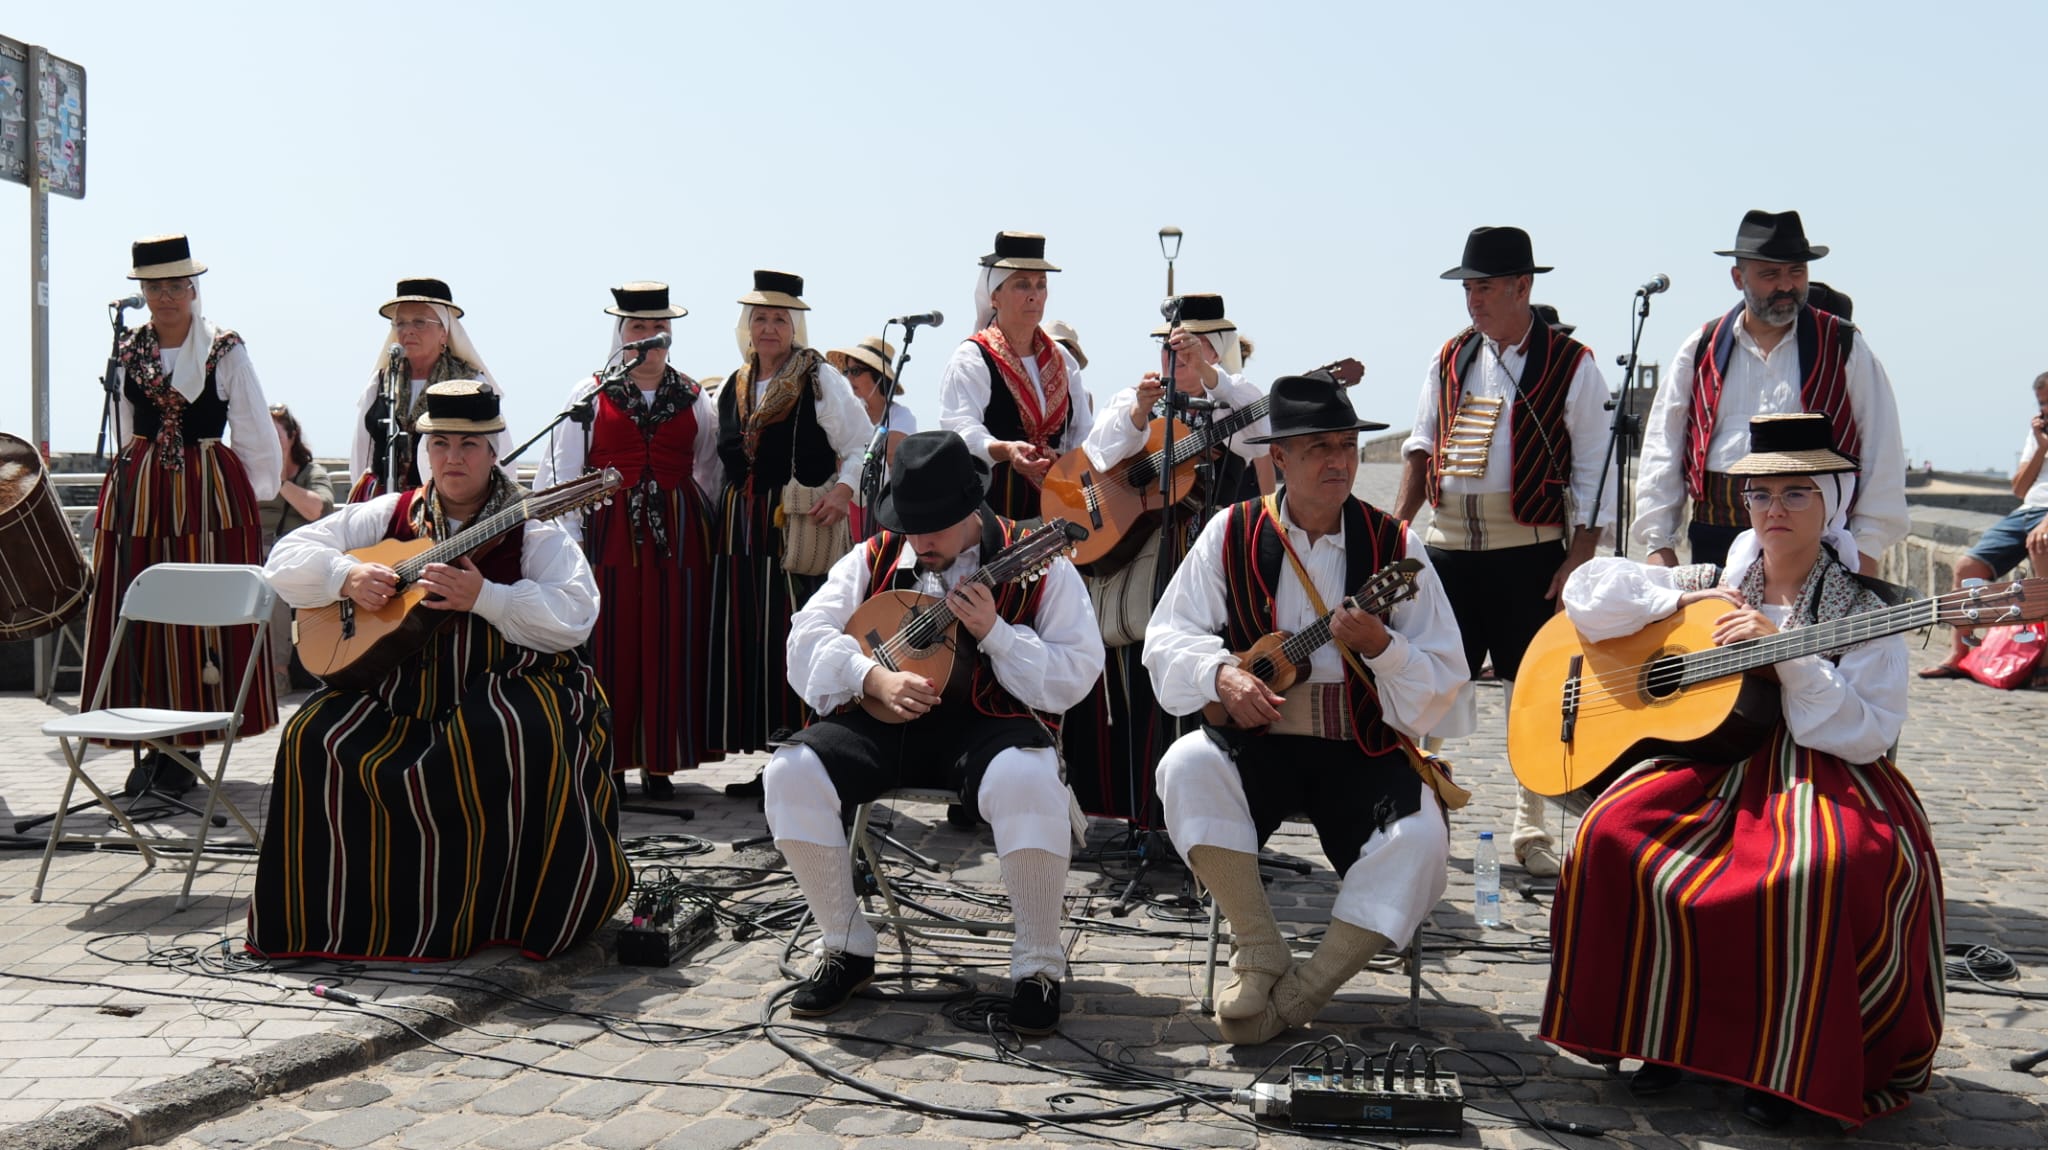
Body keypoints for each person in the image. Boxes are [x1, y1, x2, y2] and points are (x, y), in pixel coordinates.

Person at [1543, 413, 1942, 1129]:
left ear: (1831, 503)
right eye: (1760, 495)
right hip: (1712, 754)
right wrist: (1677, 601)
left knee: (1818, 868)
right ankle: (1661, 1035)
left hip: (1822, 771)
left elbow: (1869, 733)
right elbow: (1586, 594)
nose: (1774, 510)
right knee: (1611, 830)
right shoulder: (1724, 576)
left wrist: (1785, 652)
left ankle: (1789, 1066)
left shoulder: (1865, 607)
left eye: (1796, 493)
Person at [251, 381, 629, 961]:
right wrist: (343, 578)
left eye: (470, 445)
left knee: (507, 729)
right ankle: (336, 920)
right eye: (442, 443)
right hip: (398, 685)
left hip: (504, 680)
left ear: (494, 449)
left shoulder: (535, 526)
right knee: (312, 734)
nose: (454, 457)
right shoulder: (389, 513)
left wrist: (489, 598)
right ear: (425, 449)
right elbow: (285, 560)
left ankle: (505, 916)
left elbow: (575, 616)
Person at [1145, 372, 1471, 1046]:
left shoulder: (1396, 549)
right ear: (1281, 458)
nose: (1338, 461)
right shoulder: (1230, 532)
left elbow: (1447, 683)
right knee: (1184, 765)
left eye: (1347, 445)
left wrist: (1384, 647)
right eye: (1319, 447)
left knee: (1423, 840)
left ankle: (1301, 994)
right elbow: (1165, 638)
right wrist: (1221, 676)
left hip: (1360, 745)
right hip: (1261, 745)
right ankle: (1260, 947)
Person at [762, 431, 1104, 1033]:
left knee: (1030, 776)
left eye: (935, 529)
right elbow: (804, 637)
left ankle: (1037, 965)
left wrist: (995, 634)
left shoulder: (1037, 560)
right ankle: (846, 944)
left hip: (985, 726)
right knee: (790, 772)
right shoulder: (876, 554)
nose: (921, 542)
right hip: (882, 723)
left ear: (973, 510)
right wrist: (870, 677)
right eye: (912, 526)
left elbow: (1077, 673)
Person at [1393, 228, 1612, 878]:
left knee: (1535, 690)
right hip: (1451, 546)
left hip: (1529, 551)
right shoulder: (1451, 358)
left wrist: (1578, 557)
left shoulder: (1574, 364)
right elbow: (1421, 445)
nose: (1473, 300)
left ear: (1523, 287)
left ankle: (1531, 825)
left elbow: (1596, 471)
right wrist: (1398, 530)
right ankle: (1422, 809)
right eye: (1467, 288)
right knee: (1430, 679)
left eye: (1483, 287)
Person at [82, 234, 283, 796]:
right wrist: (134, 479)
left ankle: (186, 746)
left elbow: (251, 426)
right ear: (142, 291)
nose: (165, 296)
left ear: (193, 289)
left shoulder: (225, 349)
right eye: (154, 286)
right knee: (138, 604)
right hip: (141, 491)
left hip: (206, 491)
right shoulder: (129, 351)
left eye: (175, 285)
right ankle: (149, 742)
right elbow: (127, 424)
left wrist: (251, 490)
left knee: (200, 606)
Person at [1066, 293, 1274, 822]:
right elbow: (1096, 457)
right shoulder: (1142, 400)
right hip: (1144, 558)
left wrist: (1214, 380)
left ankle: (1201, 813)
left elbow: (1260, 441)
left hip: (1210, 561)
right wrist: (1138, 410)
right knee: (1137, 676)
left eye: (1192, 351)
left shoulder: (1236, 400)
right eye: (1174, 351)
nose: (1178, 361)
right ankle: (1140, 814)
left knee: (1200, 672)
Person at [1634, 210, 1906, 572]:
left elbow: (1880, 444)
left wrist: (1867, 546)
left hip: (1813, 540)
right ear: (1737, 277)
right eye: (1770, 274)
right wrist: (1658, 541)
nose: (1786, 285)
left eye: (1796, 272)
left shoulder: (1842, 344)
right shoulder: (1702, 347)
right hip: (1717, 534)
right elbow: (1664, 445)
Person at [538, 283, 720, 794]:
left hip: (678, 538)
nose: (648, 338)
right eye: (637, 328)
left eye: (657, 330)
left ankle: (661, 761)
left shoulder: (693, 395)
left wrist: (692, 523)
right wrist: (569, 542)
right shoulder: (590, 393)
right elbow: (561, 471)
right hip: (606, 529)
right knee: (610, 642)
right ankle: (611, 761)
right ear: (621, 334)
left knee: (671, 640)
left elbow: (707, 468)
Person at [707, 271, 875, 754]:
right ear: (748, 325)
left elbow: (863, 442)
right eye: (760, 318)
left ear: (794, 327)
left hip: (798, 525)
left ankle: (806, 748)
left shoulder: (819, 378)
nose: (769, 329)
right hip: (740, 526)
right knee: (747, 634)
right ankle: (765, 753)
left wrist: (844, 491)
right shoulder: (732, 386)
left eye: (780, 319)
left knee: (795, 628)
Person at [939, 232, 1093, 521]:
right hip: (996, 516)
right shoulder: (973, 356)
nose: (1034, 294)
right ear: (995, 296)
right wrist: (1005, 449)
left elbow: (1082, 431)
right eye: (1022, 285)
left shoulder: (1061, 357)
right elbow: (960, 427)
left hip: (1058, 509)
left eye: (1041, 285)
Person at [1922, 370, 2048, 678]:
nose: (2045, 410)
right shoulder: (2038, 435)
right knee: (1967, 569)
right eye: (2042, 404)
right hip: (2028, 509)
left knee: (2042, 553)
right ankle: (1959, 655)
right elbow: (2019, 489)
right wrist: (2041, 446)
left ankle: (2045, 661)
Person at [347, 277, 504, 502]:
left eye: (419, 322)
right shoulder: (381, 382)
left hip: (445, 506)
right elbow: (362, 453)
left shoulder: (470, 383)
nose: (408, 331)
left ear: (444, 332)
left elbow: (496, 454)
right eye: (400, 323)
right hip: (380, 504)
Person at [257, 404, 336, 693]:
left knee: (273, 580)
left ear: (291, 437)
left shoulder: (310, 473)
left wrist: (280, 482)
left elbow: (318, 508)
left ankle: (279, 672)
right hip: (253, 552)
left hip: (295, 556)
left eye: (274, 436)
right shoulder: (249, 474)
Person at [826, 335, 913, 541]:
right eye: (846, 372)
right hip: (847, 510)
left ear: (878, 376)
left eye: (855, 371)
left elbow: (890, 458)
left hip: (885, 510)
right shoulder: (846, 417)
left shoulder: (901, 416)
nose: (848, 378)